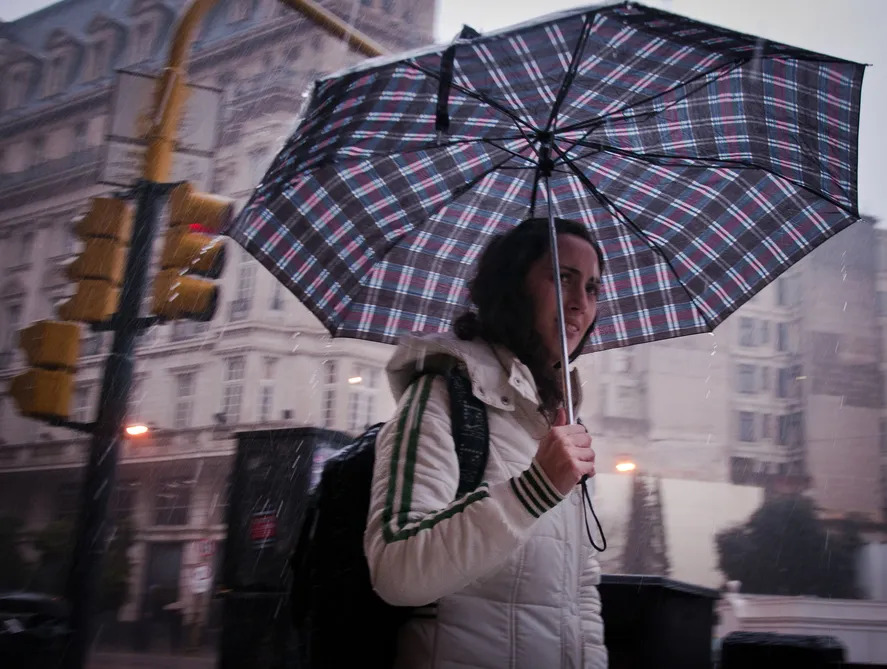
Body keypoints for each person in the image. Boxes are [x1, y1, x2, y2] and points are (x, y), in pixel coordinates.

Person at [364, 216, 608, 668]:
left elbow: (581, 592)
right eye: (561, 278)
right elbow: (395, 568)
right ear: (514, 287)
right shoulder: (443, 398)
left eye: (592, 288)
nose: (580, 304)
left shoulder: (565, 423)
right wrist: (534, 490)